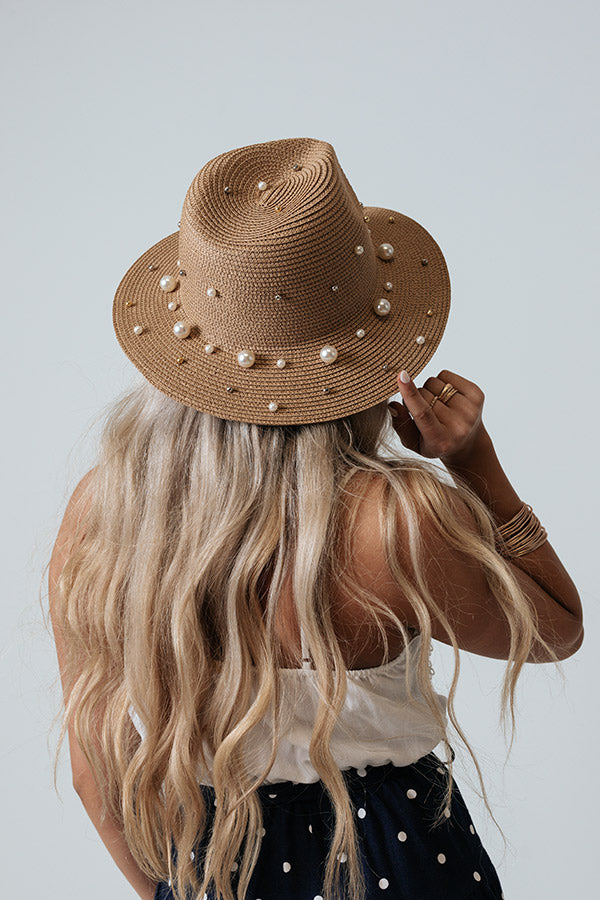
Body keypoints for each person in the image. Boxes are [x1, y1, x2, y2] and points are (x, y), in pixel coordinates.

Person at [46, 137, 584, 900]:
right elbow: (557, 629)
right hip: (404, 866)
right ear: (373, 350)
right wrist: (476, 464)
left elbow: (93, 768)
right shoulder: (394, 520)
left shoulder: (107, 509)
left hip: (216, 863)